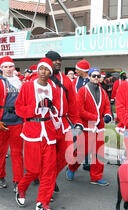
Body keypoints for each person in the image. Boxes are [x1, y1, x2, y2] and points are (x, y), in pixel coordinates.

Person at [15, 58, 60, 210]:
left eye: (46, 69)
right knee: (34, 170)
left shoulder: (54, 88)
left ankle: (42, 203)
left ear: (50, 72)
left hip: (48, 132)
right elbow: (19, 109)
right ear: (37, 70)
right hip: (32, 131)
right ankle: (21, 188)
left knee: (49, 170)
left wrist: (52, 107)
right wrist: (37, 106)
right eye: (40, 68)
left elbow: (58, 110)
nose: (43, 72)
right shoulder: (27, 86)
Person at [66, 67, 113, 186]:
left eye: (98, 76)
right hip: (87, 127)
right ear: (89, 77)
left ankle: (96, 177)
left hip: (99, 128)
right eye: (94, 76)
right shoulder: (83, 91)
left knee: (99, 153)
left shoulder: (103, 92)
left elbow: (107, 106)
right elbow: (79, 110)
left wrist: (107, 115)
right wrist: (95, 118)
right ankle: (71, 168)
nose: (96, 78)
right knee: (81, 153)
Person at [45, 50, 82, 194]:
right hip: (46, 123)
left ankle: (50, 177)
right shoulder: (39, 79)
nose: (58, 62)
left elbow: (73, 104)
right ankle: (48, 184)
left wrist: (77, 121)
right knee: (48, 158)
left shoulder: (66, 80)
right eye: (54, 60)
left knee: (68, 153)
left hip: (63, 122)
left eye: (59, 59)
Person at [0, 56, 24, 191]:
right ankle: (0, 177)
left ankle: (18, 181)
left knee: (17, 152)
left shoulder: (20, 82)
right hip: (2, 122)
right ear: (1, 69)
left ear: (14, 68)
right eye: (5, 67)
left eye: (10, 67)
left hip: (18, 121)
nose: (8, 69)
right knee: (0, 152)